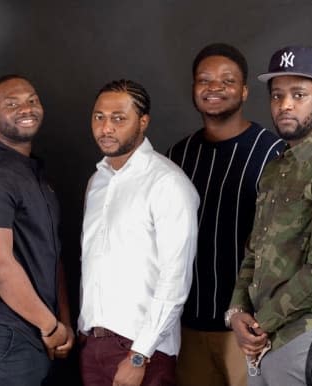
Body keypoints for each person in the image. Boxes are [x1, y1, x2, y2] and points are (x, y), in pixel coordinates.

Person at [227, 46, 312, 386]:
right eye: (277, 96)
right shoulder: (276, 169)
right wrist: (237, 313)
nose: (284, 105)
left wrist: (263, 322)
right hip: (267, 336)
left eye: (299, 94)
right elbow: (254, 252)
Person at [167, 43, 284, 386]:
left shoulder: (273, 153)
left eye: (227, 80)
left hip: (249, 329)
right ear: (193, 89)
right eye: (204, 79)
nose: (214, 87)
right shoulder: (176, 157)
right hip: (187, 327)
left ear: (245, 91)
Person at [0, 74, 74, 386]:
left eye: (32, 100)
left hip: (32, 332)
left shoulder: (32, 174)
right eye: (12, 103)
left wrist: (63, 321)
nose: (26, 108)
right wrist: (50, 326)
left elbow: (52, 256)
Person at [78, 79, 199, 386]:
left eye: (119, 118)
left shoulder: (167, 183)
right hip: (93, 346)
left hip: (142, 352)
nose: (106, 128)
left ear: (143, 122)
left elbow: (175, 277)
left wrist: (139, 355)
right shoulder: (97, 183)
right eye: (99, 117)